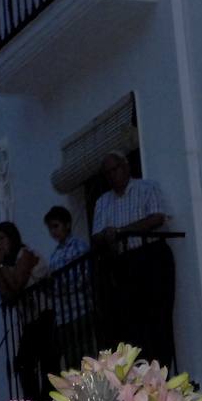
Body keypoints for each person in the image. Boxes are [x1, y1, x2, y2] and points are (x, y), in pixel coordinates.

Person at [91, 153, 175, 367]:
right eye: (107, 173)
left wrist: (122, 231)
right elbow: (96, 236)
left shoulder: (146, 188)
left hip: (149, 257)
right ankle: (143, 371)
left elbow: (157, 217)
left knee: (157, 316)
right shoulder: (103, 202)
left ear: (126, 166)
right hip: (122, 264)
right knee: (131, 322)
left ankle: (161, 368)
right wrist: (109, 235)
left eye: (115, 169)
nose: (112, 175)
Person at [0, 221, 55, 401]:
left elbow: (17, 284)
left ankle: (45, 399)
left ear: (12, 238)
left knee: (44, 359)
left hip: (44, 314)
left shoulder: (25, 254)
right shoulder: (6, 265)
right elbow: (5, 295)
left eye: (2, 238)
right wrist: (0, 266)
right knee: (23, 363)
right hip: (29, 319)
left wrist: (1, 266)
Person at [43, 206, 91, 371]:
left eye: (56, 226)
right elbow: (54, 288)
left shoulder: (78, 246)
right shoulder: (55, 254)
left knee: (85, 355)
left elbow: (81, 277)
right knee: (72, 360)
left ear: (67, 225)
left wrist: (59, 284)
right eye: (50, 228)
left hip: (80, 310)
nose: (53, 232)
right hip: (64, 316)